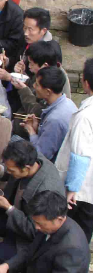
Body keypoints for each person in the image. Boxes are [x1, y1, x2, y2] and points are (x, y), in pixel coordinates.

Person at [0, 140, 65, 273]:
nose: (9, 171)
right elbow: (11, 169)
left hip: (29, 236)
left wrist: (8, 207)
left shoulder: (46, 189)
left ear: (27, 168)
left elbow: (33, 230)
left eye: (11, 170)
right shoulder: (34, 159)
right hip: (14, 216)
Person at [55, 58, 93, 243]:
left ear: (86, 82)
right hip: (88, 187)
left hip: (82, 189)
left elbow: (80, 156)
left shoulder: (85, 116)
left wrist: (72, 189)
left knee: (76, 233)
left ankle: (75, 264)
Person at [24, 66, 77, 162]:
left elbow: (41, 154)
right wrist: (38, 129)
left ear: (48, 91)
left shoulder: (55, 120)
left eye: (37, 85)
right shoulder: (68, 102)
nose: (34, 87)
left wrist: (31, 131)